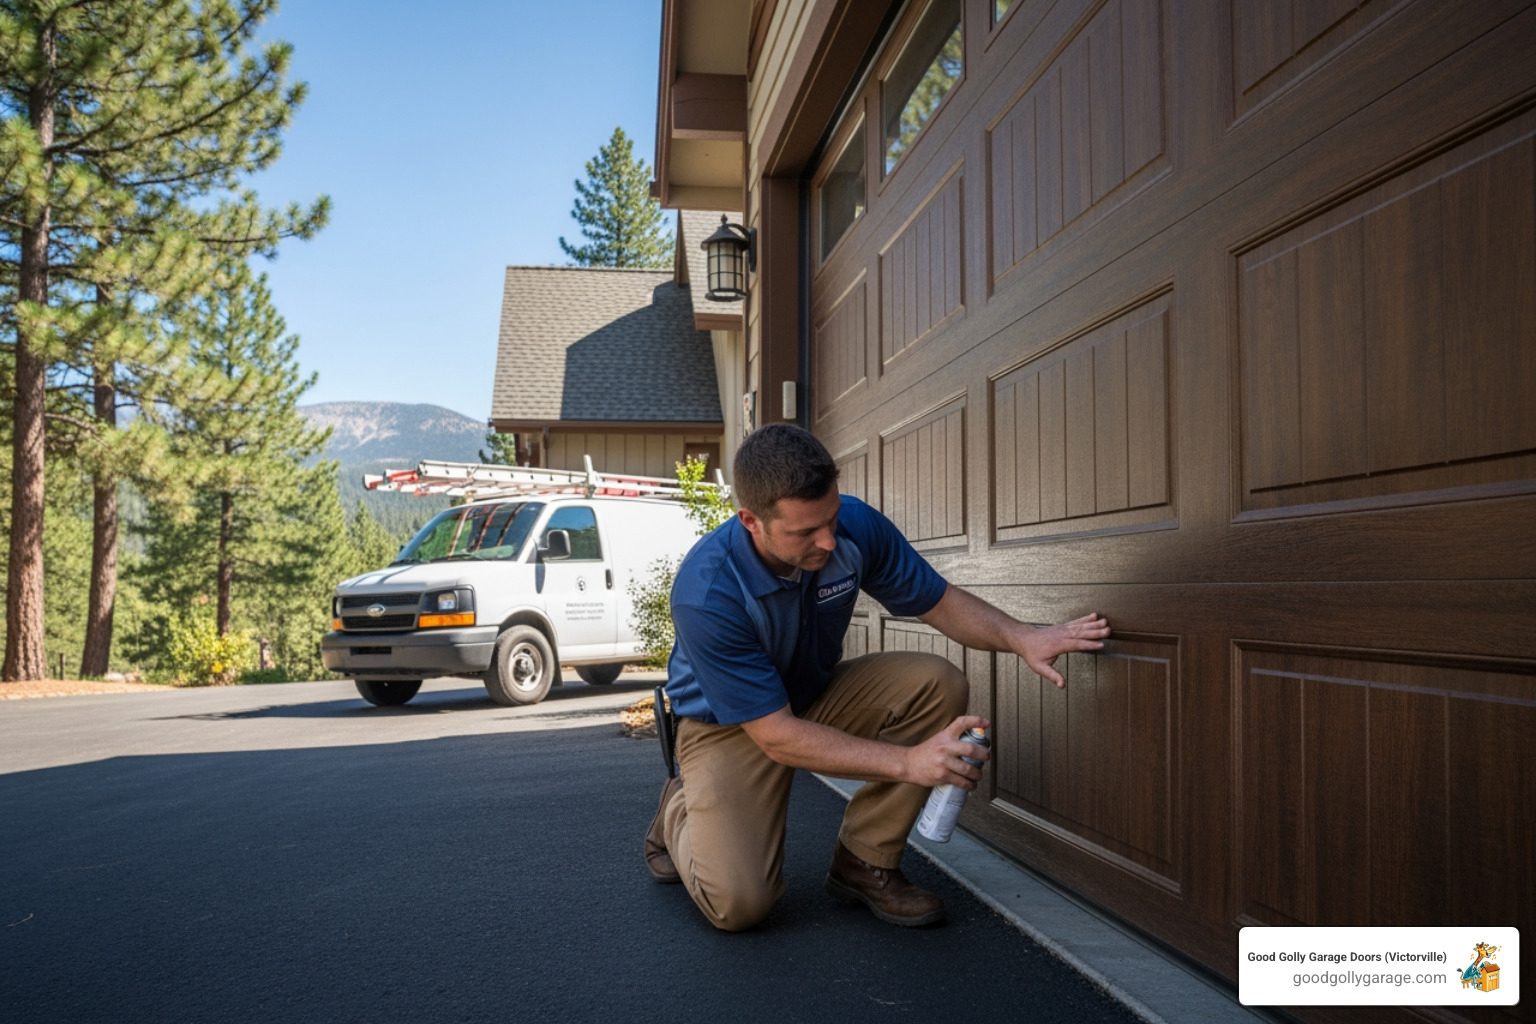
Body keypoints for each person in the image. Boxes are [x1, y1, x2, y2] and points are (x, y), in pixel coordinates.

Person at [645, 424, 1110, 931]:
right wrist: (911, 763)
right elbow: (777, 737)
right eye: (804, 532)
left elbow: (942, 603)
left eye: (831, 518)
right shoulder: (708, 592)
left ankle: (864, 862)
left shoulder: (854, 527)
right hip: (727, 725)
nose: (827, 540)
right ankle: (679, 808)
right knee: (739, 906)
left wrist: (1023, 637)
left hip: (812, 695)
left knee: (936, 683)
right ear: (751, 521)